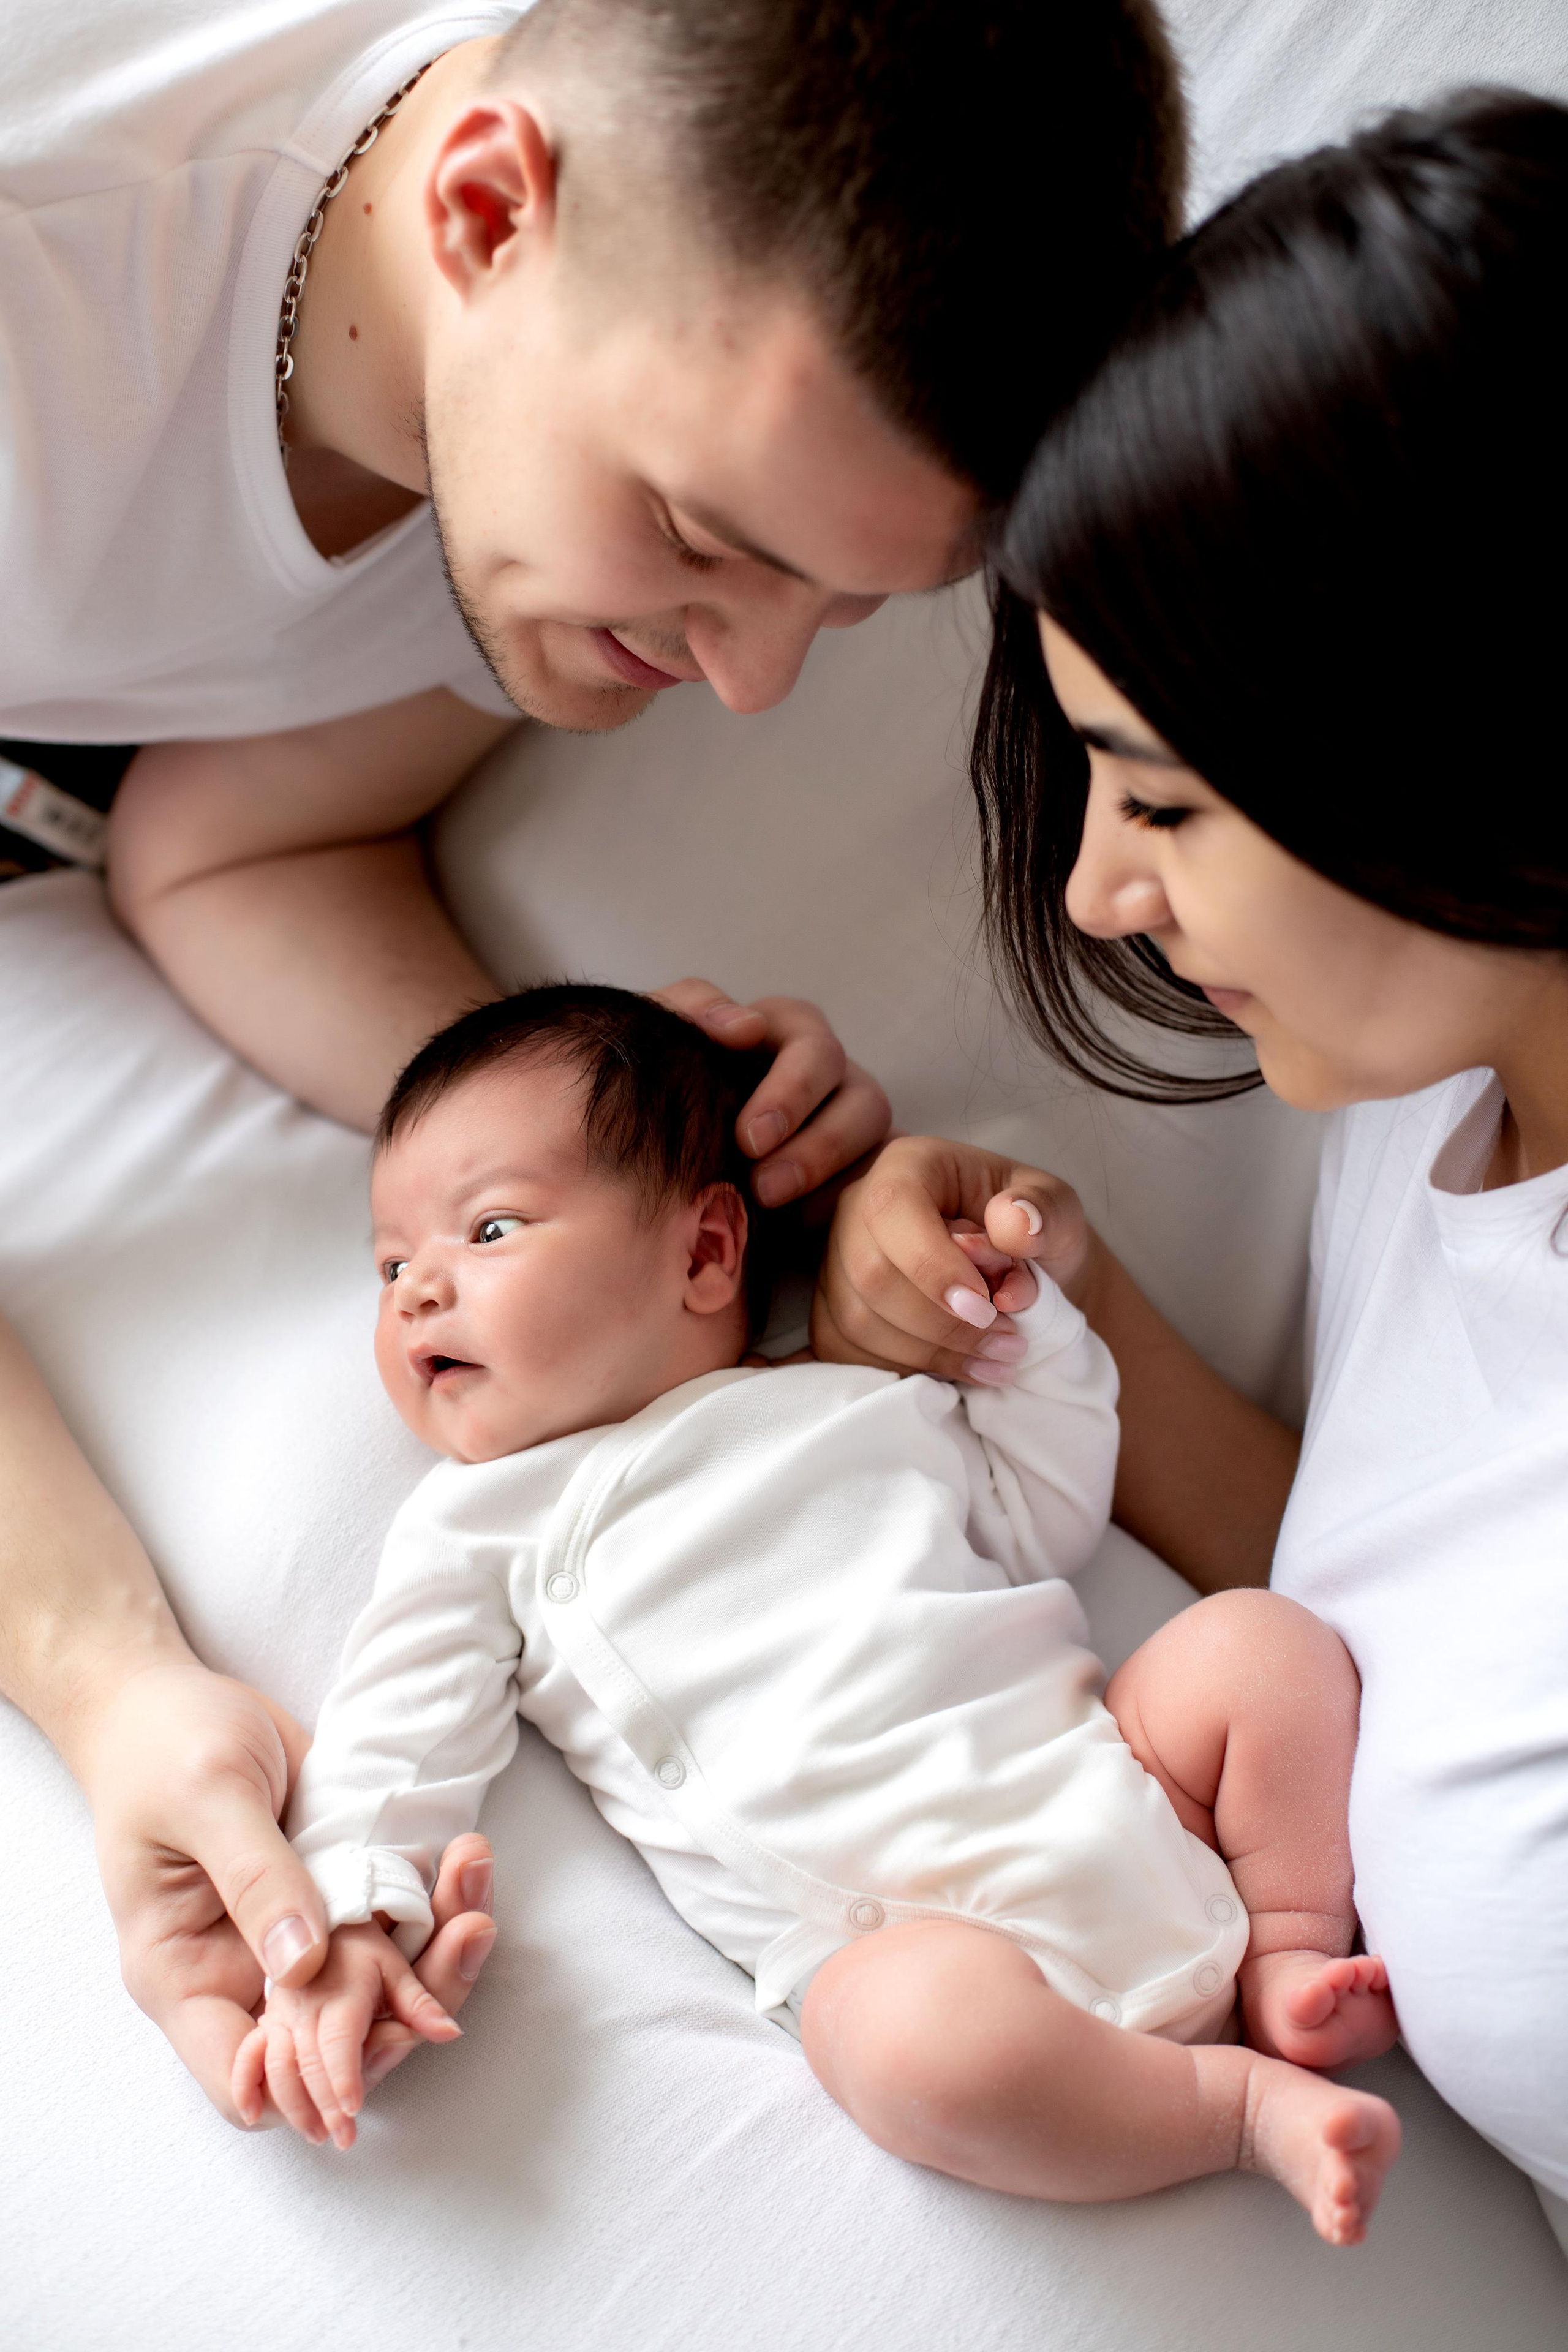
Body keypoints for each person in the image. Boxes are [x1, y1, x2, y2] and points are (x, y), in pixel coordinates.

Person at [0, 0, 1183, 2126]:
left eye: (834, 609)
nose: (740, 687)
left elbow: (230, 838)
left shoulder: (562, 399)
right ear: (482, 211)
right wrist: (115, 1685)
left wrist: (646, 1167)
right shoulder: (52, 257)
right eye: (711, 549)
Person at [814, 92, 1568, 2230]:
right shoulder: (1440, 1084)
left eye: (1163, 805)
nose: (1091, 895)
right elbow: (1388, 1604)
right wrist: (1045, 1297)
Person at [236, 983, 1400, 2244]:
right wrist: (351, 1911)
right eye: (392, 1264)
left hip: (1115, 1787)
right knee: (904, 2046)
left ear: (703, 1251)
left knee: (1259, 1645)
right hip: (918, 1937)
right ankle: (1229, 2110)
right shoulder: (482, 1522)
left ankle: (1286, 1943)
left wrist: (1030, 1332)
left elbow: (1043, 1521)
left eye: (490, 1229)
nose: (414, 1291)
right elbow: (397, 1727)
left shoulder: (848, 1399)